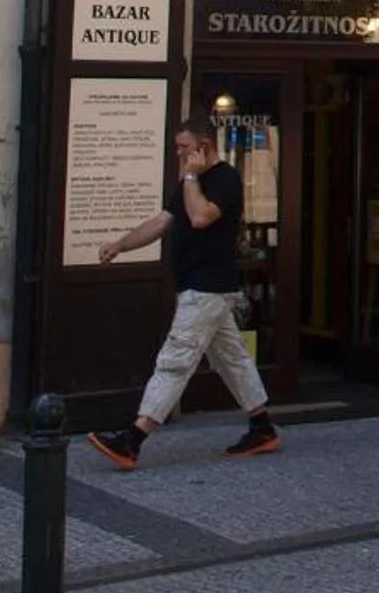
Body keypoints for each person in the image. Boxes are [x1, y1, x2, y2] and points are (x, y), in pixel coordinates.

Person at [88, 115, 279, 469]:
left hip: (206, 288)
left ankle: (133, 439)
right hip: (203, 289)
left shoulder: (224, 179)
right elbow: (162, 221)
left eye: (184, 148)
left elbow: (200, 218)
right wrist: (120, 245)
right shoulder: (191, 183)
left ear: (203, 147)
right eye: (178, 148)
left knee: (174, 361)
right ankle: (262, 427)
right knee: (232, 360)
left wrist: (191, 176)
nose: (178, 154)